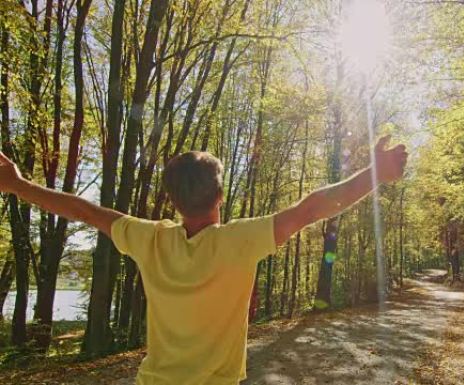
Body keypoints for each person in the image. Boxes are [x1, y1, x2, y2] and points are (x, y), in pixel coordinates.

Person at [0, 135, 408, 385]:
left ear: (172, 201)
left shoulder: (150, 239)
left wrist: (18, 185)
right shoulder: (238, 241)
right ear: (220, 195)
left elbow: (86, 212)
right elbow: (310, 209)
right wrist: (372, 174)